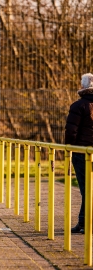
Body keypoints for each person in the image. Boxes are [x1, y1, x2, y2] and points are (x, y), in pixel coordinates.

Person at [65, 73, 93, 233]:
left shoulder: (78, 106)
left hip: (82, 152)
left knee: (86, 189)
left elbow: (71, 131)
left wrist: (69, 149)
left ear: (83, 87)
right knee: (88, 189)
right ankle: (83, 222)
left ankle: (87, 223)